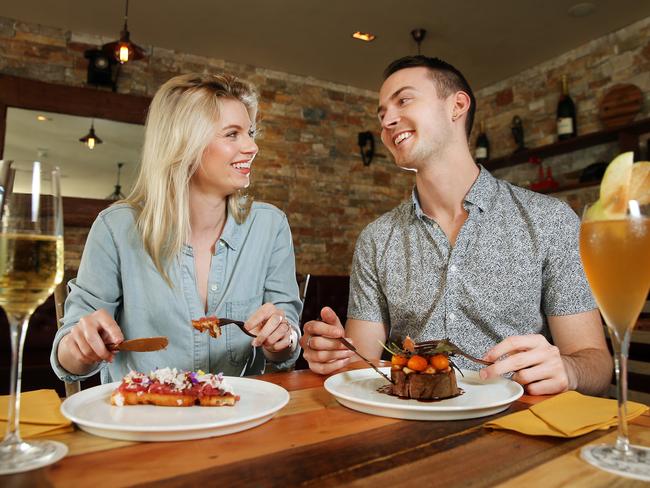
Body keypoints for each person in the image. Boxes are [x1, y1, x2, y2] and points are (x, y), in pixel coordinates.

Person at [301, 56, 612, 396]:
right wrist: (335, 355)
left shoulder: (550, 220)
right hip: (408, 425)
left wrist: (568, 368)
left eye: (403, 100)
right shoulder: (376, 239)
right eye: (381, 113)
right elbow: (362, 364)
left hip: (521, 427)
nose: (387, 120)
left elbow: (596, 365)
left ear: (457, 106)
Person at [51, 73, 302, 384]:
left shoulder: (270, 226)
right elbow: (68, 358)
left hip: (240, 418)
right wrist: (81, 346)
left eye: (250, 132)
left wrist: (283, 338)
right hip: (143, 421)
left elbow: (286, 348)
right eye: (232, 134)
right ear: (185, 142)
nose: (252, 146)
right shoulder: (115, 228)